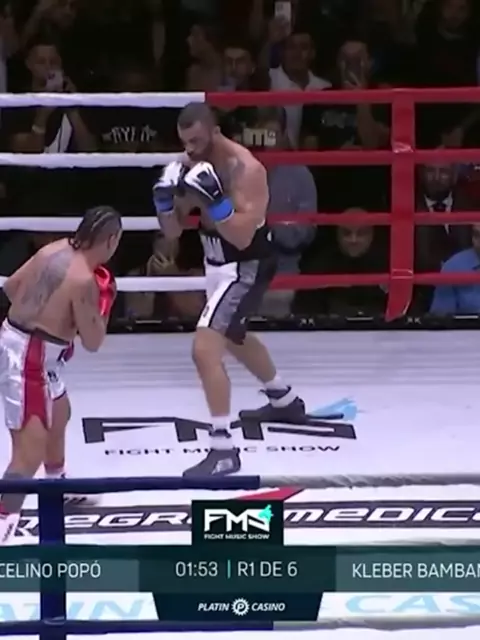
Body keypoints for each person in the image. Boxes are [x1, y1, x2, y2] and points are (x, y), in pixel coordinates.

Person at [153, 102, 306, 478]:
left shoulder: (246, 170)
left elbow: (241, 237)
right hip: (215, 263)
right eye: (185, 143)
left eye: (197, 141)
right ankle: (284, 399)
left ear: (215, 132)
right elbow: (173, 232)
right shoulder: (191, 165)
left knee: (205, 350)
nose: (190, 150)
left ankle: (223, 450)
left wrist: (215, 201)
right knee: (234, 335)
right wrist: (164, 203)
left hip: (245, 266)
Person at [0, 205, 121, 543]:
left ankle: (57, 485)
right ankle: (3, 519)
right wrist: (104, 306)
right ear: (111, 240)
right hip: (29, 357)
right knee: (29, 452)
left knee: (60, 411)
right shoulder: (85, 281)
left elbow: (10, 288)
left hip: (25, 344)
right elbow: (93, 341)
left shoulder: (52, 250)